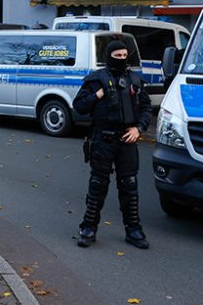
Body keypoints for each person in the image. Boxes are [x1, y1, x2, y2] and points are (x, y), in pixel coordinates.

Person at [72, 39, 152, 250]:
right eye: (117, 56)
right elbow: (78, 106)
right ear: (109, 57)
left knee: (129, 186)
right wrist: (97, 95)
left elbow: (145, 108)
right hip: (103, 139)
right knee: (98, 185)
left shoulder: (135, 80)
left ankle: (133, 230)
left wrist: (139, 129)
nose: (122, 60)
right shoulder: (95, 80)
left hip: (127, 139)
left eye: (125, 56)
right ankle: (88, 228)